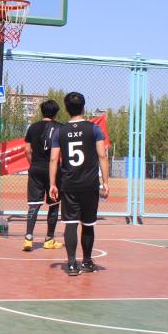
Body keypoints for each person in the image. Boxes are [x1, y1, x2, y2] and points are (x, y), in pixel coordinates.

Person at [49, 92, 109, 276]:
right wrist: (105, 182)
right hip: (90, 184)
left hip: (69, 183)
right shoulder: (94, 129)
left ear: (66, 109)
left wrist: (52, 184)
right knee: (88, 224)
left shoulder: (60, 131)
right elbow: (102, 156)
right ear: (83, 107)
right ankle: (87, 262)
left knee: (71, 223)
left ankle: (71, 264)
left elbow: (54, 159)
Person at [21, 100, 63, 252]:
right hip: (53, 170)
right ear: (56, 113)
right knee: (53, 204)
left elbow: (27, 150)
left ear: (41, 111)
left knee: (34, 204)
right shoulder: (60, 127)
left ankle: (28, 238)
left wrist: (33, 163)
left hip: (36, 168)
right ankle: (49, 239)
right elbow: (62, 152)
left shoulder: (32, 127)